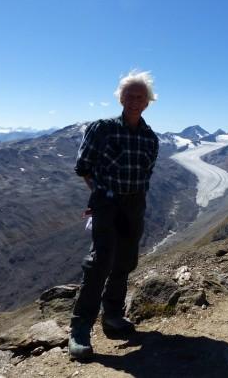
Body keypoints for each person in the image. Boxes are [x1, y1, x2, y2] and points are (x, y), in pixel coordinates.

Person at [68, 70, 159, 360]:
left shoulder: (149, 138)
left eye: (140, 96)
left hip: (135, 204)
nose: (134, 101)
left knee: (126, 261)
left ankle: (112, 316)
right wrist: (100, 195)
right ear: (121, 98)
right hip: (107, 202)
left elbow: (146, 174)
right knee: (100, 262)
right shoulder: (102, 128)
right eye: (129, 95)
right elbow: (84, 166)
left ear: (148, 102)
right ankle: (80, 329)